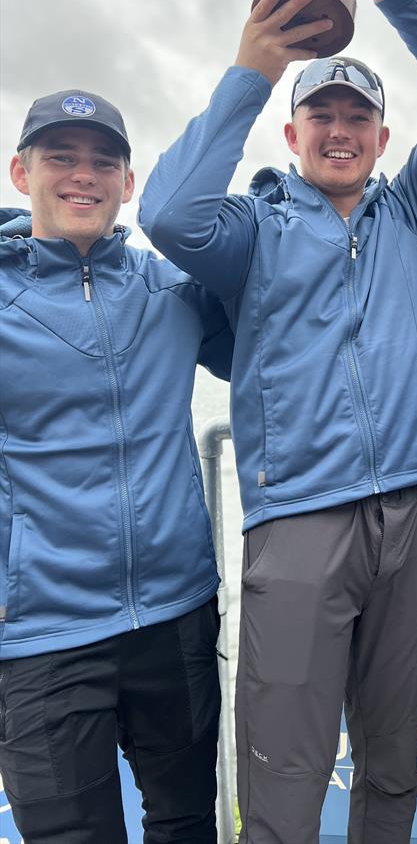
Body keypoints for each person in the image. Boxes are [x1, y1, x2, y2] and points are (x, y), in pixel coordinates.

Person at [138, 0, 417, 844]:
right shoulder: (250, 227)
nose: (339, 131)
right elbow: (166, 214)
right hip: (297, 518)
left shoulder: (411, 214)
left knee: (390, 764)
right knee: (286, 777)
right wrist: (252, 65)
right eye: (321, 117)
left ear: (381, 137)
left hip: (415, 515)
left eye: (357, 119)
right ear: (292, 134)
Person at [0, 90, 233, 844]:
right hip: (42, 631)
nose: (84, 175)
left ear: (129, 182)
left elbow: (294, 330)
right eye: (61, 156)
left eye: (104, 161)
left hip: (176, 613)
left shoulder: (171, 289)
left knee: (187, 824)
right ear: (19, 170)